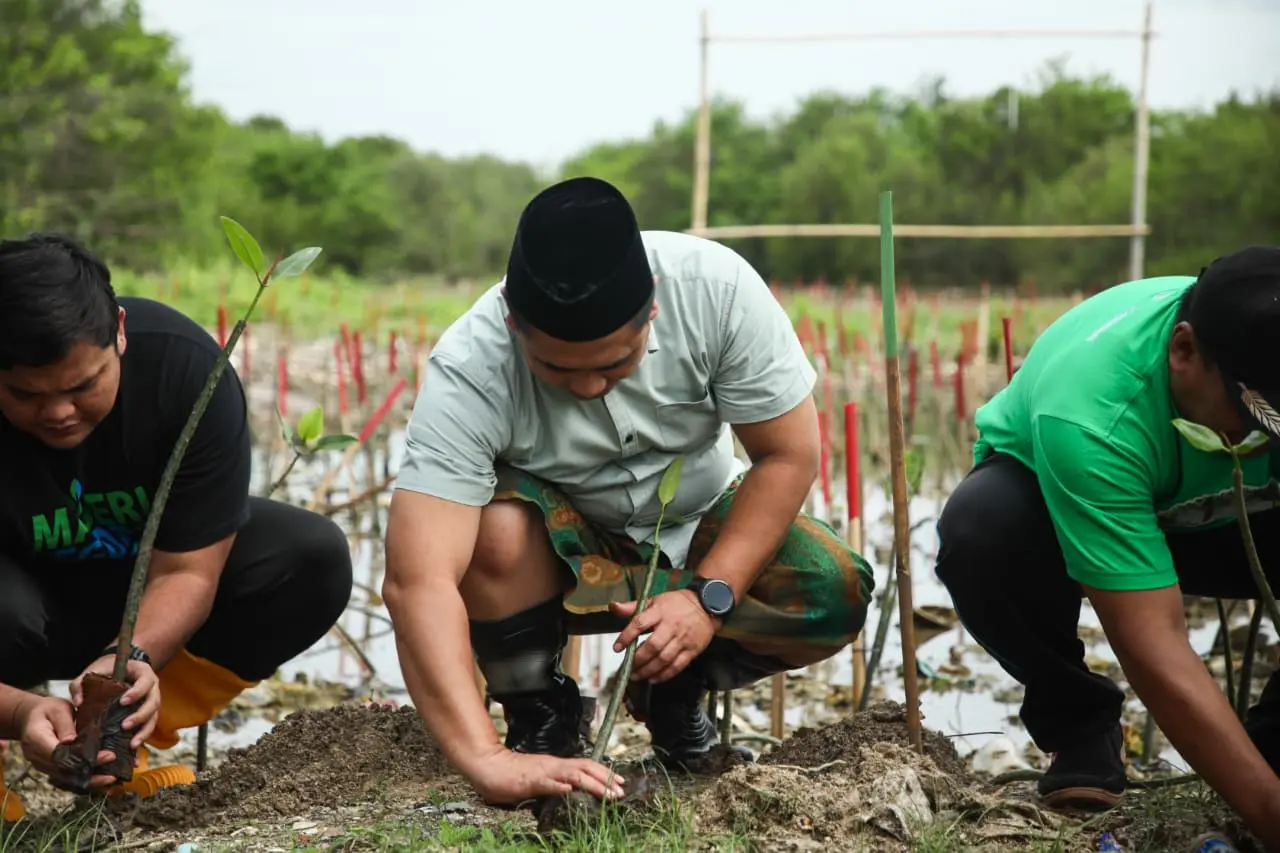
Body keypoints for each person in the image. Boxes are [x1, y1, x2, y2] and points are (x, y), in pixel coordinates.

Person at [382, 176, 874, 807]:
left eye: (616, 363)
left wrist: (707, 598)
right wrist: (484, 759)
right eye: (557, 369)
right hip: (560, 552)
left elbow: (789, 453)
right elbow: (417, 580)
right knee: (493, 531)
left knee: (832, 587)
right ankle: (541, 722)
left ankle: (674, 683)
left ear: (654, 312)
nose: (589, 388)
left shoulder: (718, 293)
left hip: (700, 525)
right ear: (514, 326)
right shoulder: (470, 367)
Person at [933, 246, 1280, 850]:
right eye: (1255, 416)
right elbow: (1155, 640)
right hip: (1059, 505)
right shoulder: (1093, 412)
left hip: (1236, 512)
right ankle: (1080, 725)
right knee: (982, 533)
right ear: (1184, 352)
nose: (1262, 434)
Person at [0, 234, 354, 821]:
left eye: (83, 386)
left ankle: (114, 746)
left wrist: (127, 660)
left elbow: (188, 569)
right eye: (24, 395)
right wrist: (16, 713)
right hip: (16, 603)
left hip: (139, 596)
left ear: (119, 330)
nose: (59, 412)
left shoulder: (186, 372)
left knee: (309, 557)